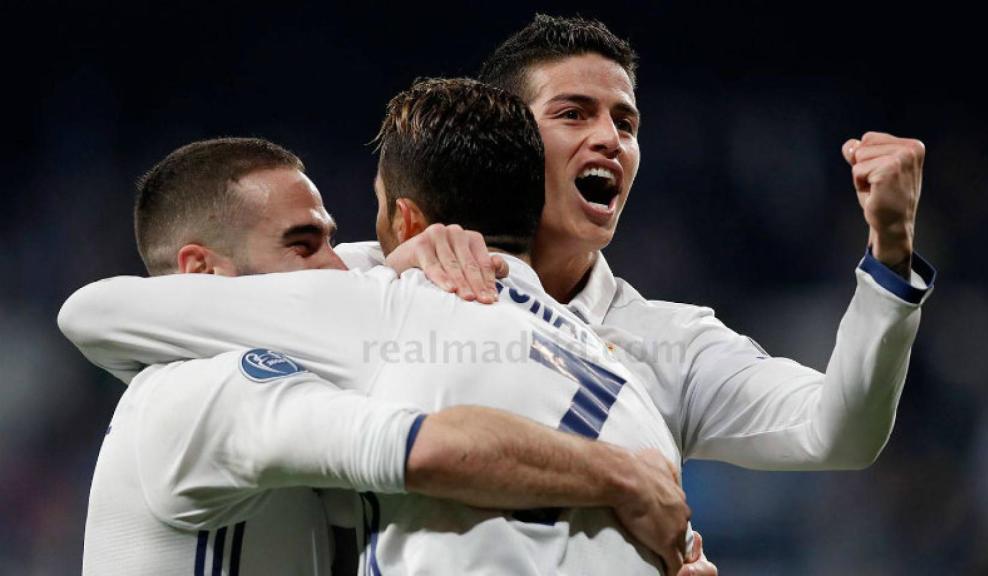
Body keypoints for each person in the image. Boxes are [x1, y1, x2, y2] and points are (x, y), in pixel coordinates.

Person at [61, 82, 718, 574]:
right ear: (200, 274)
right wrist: (622, 476)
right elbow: (428, 449)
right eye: (303, 244)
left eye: (336, 242)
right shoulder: (211, 391)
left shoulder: (291, 377)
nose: (335, 266)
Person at [470, 13, 935, 471]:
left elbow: (838, 434)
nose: (611, 140)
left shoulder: (674, 350)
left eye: (626, 125)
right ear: (505, 140)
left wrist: (890, 248)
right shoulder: (418, 284)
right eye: (573, 114)